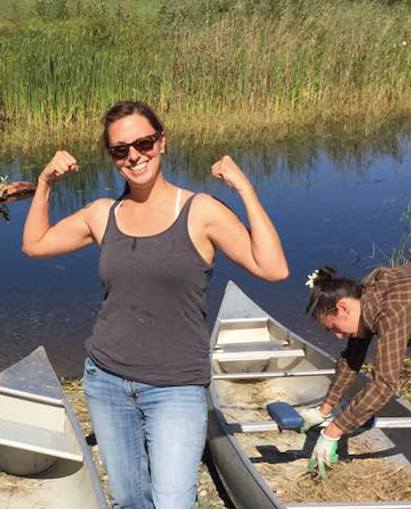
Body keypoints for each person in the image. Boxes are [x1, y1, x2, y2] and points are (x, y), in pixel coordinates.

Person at [22, 101, 288, 509]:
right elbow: (34, 244)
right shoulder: (102, 214)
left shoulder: (200, 211)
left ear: (161, 142)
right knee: (129, 500)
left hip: (177, 387)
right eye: (120, 149)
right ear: (111, 157)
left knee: (173, 502)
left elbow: (272, 268)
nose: (134, 155)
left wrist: (245, 189)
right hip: (106, 380)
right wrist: (44, 182)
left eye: (143, 142)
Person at [300, 261, 411, 479]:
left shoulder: (393, 310)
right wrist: (323, 411)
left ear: (343, 307)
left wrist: (333, 432)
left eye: (334, 327)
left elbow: (384, 385)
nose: (338, 336)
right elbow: (352, 357)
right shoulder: (364, 295)